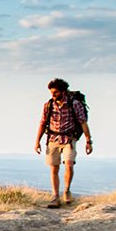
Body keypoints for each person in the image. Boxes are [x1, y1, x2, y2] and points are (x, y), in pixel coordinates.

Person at [33, 78, 92, 207]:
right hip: (53, 139)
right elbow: (42, 124)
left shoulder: (74, 104)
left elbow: (83, 122)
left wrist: (88, 141)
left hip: (69, 139)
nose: (53, 95)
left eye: (55, 93)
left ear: (63, 91)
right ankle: (55, 196)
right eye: (51, 93)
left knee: (69, 165)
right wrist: (37, 141)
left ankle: (66, 190)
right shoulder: (48, 105)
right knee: (54, 168)